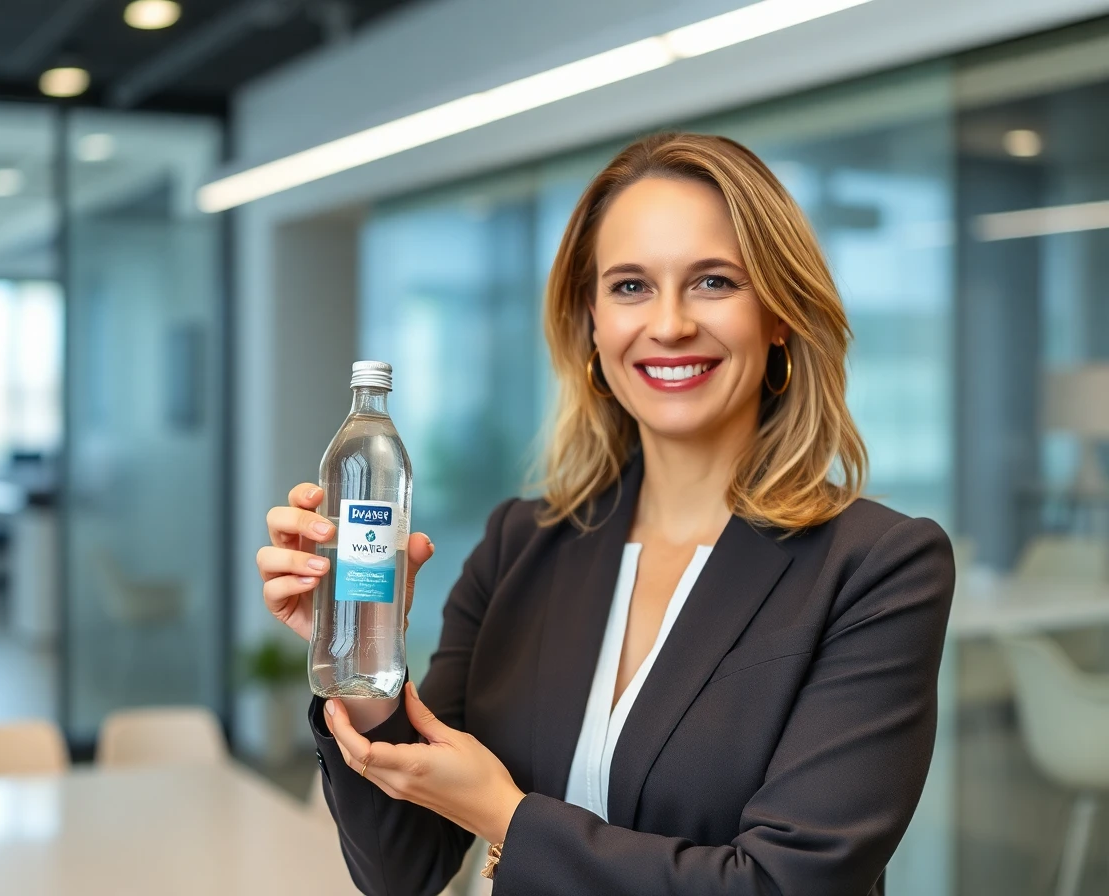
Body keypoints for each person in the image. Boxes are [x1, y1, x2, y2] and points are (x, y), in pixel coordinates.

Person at [256, 131, 955, 896]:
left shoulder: (877, 566)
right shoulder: (519, 546)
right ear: (591, 322)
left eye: (714, 281)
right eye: (630, 287)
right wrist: (360, 653)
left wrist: (508, 817)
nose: (669, 324)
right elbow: (404, 867)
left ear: (780, 313)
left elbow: (784, 884)